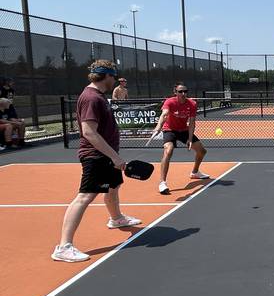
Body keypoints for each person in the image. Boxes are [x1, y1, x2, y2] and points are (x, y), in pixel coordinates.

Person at [52, 60, 141, 262]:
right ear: (107, 76)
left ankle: (116, 219)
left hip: (107, 154)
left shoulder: (98, 96)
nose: (115, 81)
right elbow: (89, 132)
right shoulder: (92, 98)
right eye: (114, 77)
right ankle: (63, 246)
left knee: (113, 186)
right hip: (96, 156)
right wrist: (114, 157)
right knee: (85, 196)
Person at [152, 82, 209, 194]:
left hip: (184, 130)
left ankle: (195, 172)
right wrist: (158, 127)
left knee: (202, 151)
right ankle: (162, 182)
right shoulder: (170, 102)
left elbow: (192, 122)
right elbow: (164, 114)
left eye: (185, 91)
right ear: (175, 93)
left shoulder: (192, 103)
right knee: (168, 150)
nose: (183, 93)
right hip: (170, 130)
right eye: (180, 91)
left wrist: (190, 139)